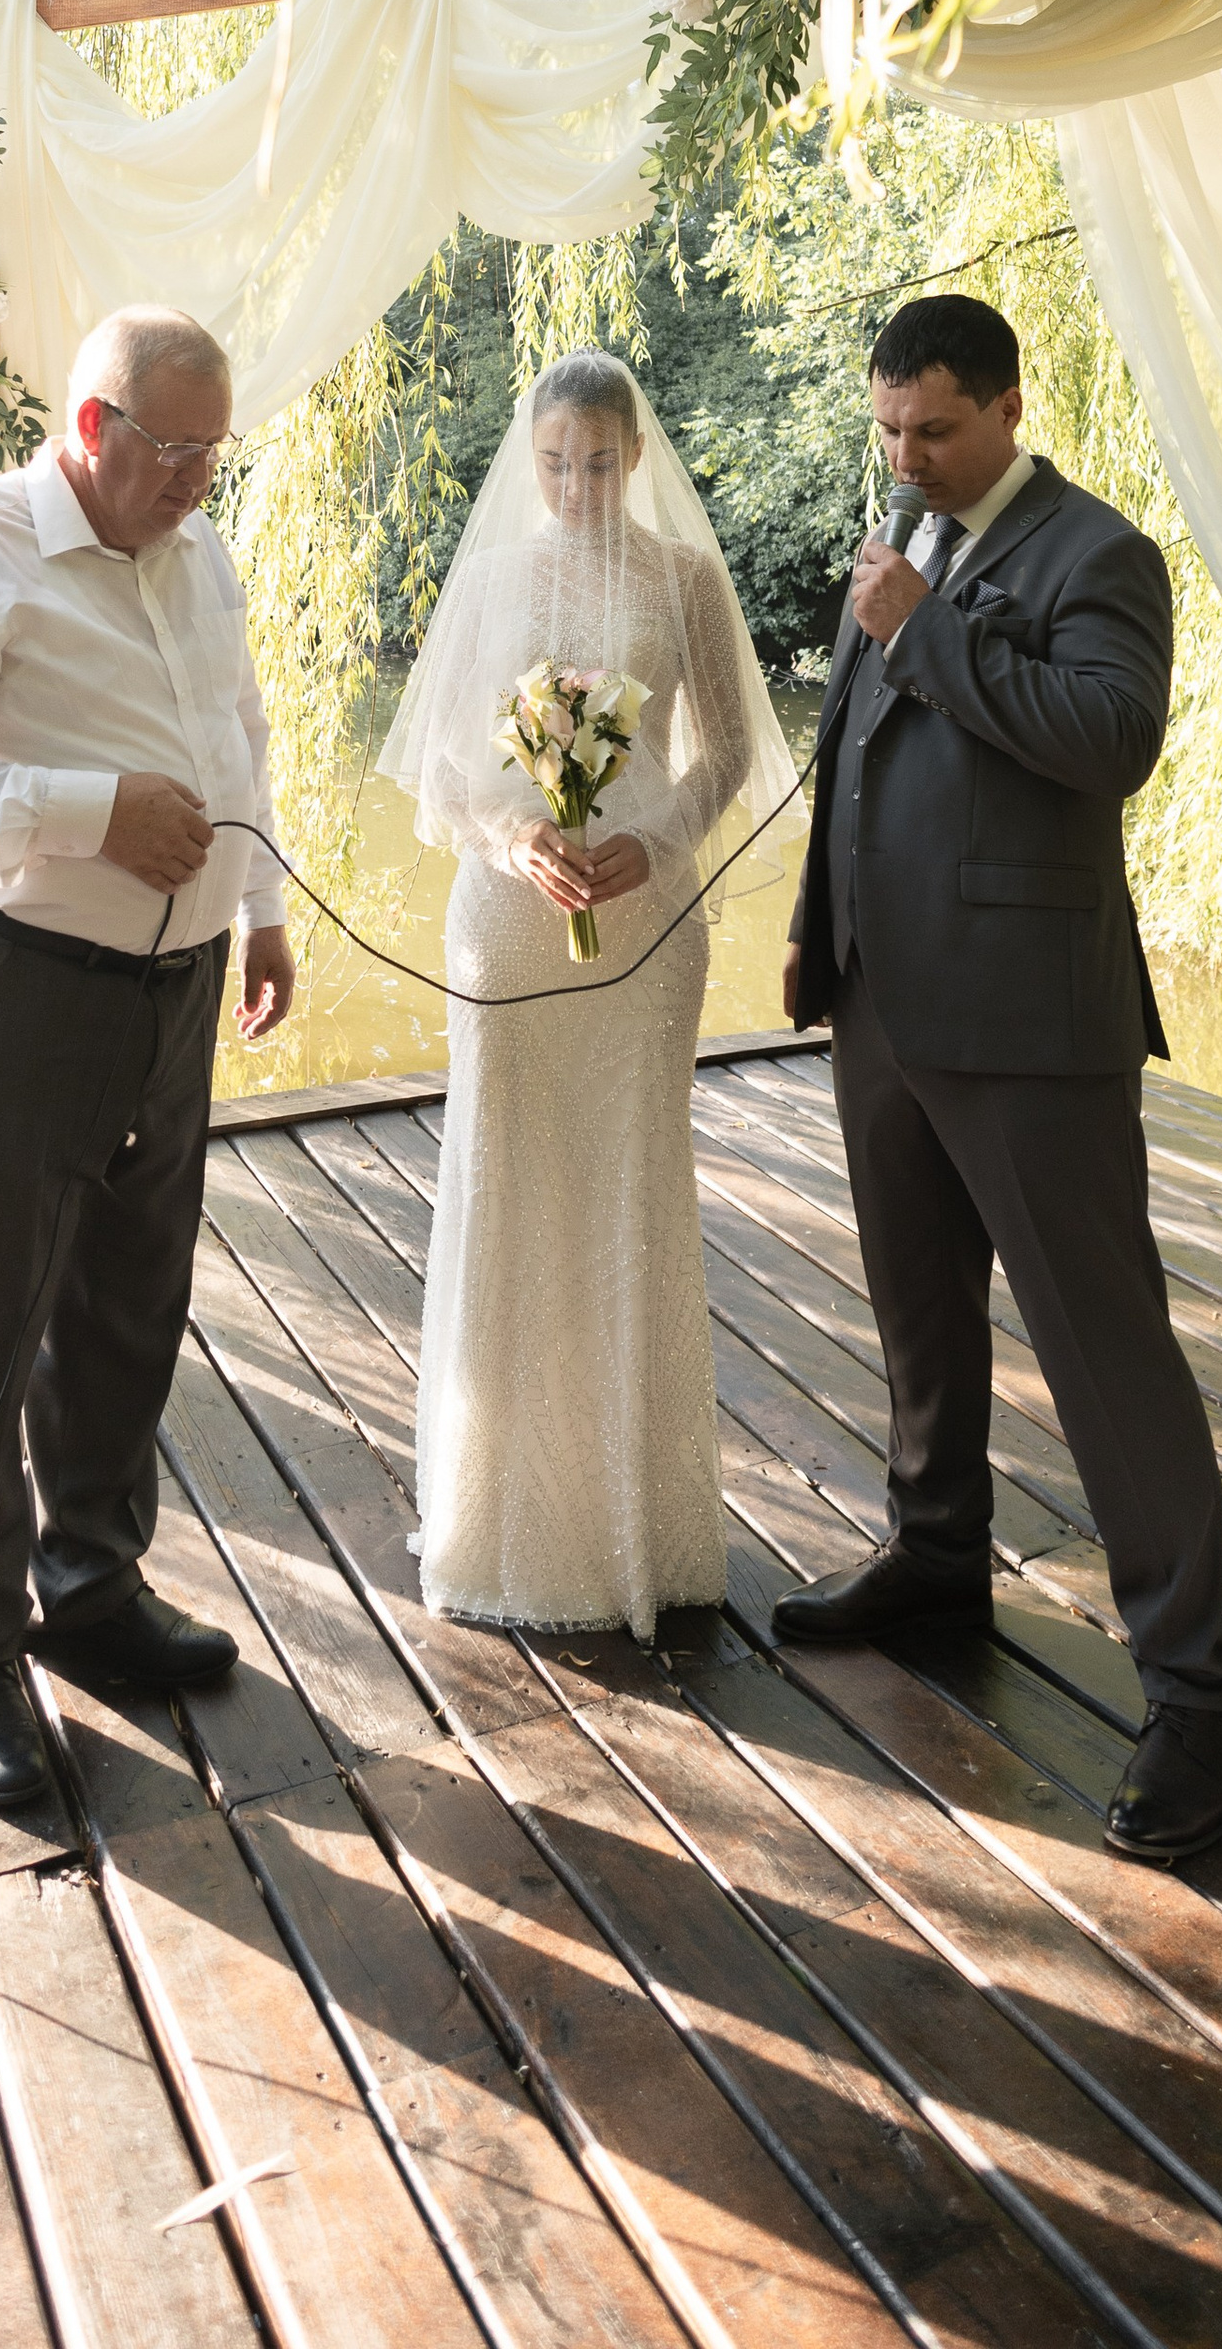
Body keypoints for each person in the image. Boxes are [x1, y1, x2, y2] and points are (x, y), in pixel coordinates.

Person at [778, 293, 1222, 1865]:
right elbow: (858, 748)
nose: (907, 455)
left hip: (1031, 1029)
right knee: (919, 1322)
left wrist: (927, 628)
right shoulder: (904, 537)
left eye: (936, 429)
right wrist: (820, 948)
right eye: (890, 429)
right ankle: (935, 1556)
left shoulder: (1095, 554)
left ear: (1004, 407)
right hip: (882, 1010)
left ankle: (1197, 1695)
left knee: (1107, 1359)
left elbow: (1109, 737)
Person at [0, 302, 297, 1805]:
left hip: (177, 987)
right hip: (19, 982)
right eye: (175, 452)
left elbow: (240, 733)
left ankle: (90, 1591)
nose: (198, 484)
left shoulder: (202, 556)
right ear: (93, 426)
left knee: (126, 1301)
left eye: (215, 456)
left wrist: (263, 906)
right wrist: (90, 810)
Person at [381, 353, 799, 1636]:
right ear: (530, 455)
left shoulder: (685, 581)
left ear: (635, 456)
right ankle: (493, 1520)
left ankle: (639, 1530)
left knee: (627, 1179)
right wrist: (511, 839)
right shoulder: (493, 579)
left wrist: (657, 837)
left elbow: (727, 748)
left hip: (643, 910)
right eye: (555, 462)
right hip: (511, 915)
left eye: (600, 463)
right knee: (508, 1176)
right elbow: (441, 764)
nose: (575, 485)